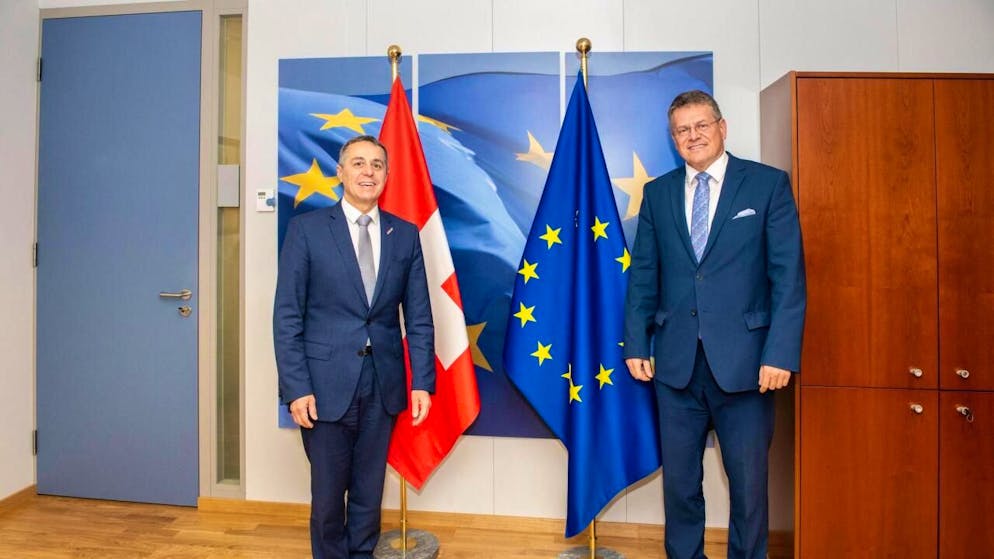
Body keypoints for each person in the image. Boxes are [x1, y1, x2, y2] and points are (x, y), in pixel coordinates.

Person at [624, 90, 806, 559]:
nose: (693, 136)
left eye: (701, 125)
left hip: (748, 368)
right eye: (682, 130)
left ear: (722, 128)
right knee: (681, 487)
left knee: (749, 490)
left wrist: (780, 353)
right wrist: (636, 342)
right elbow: (644, 272)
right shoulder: (658, 193)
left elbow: (787, 276)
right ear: (673, 139)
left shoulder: (767, 185)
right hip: (676, 367)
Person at [274, 135, 435, 559]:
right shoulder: (306, 230)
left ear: (387, 175)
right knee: (328, 499)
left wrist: (423, 382)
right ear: (340, 173)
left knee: (368, 493)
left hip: (383, 387)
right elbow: (287, 316)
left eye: (378, 164)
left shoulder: (404, 235)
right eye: (359, 163)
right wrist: (295, 388)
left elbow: (418, 317)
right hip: (323, 388)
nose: (369, 171)